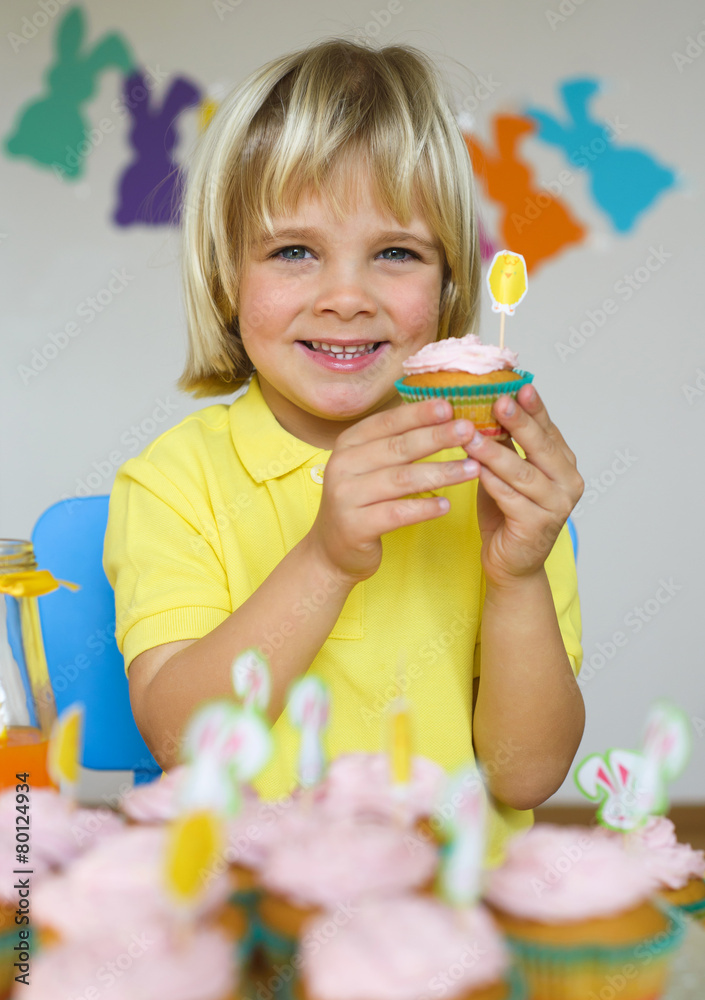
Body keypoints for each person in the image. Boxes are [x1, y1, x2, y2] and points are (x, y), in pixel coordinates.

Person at [103, 37, 585, 864]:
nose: (346, 299)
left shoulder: (494, 478)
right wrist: (326, 558)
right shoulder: (174, 481)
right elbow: (187, 743)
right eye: (294, 252)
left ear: (446, 286)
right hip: (252, 917)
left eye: (395, 253)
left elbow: (525, 775)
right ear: (225, 278)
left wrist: (516, 575)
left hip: (452, 916)